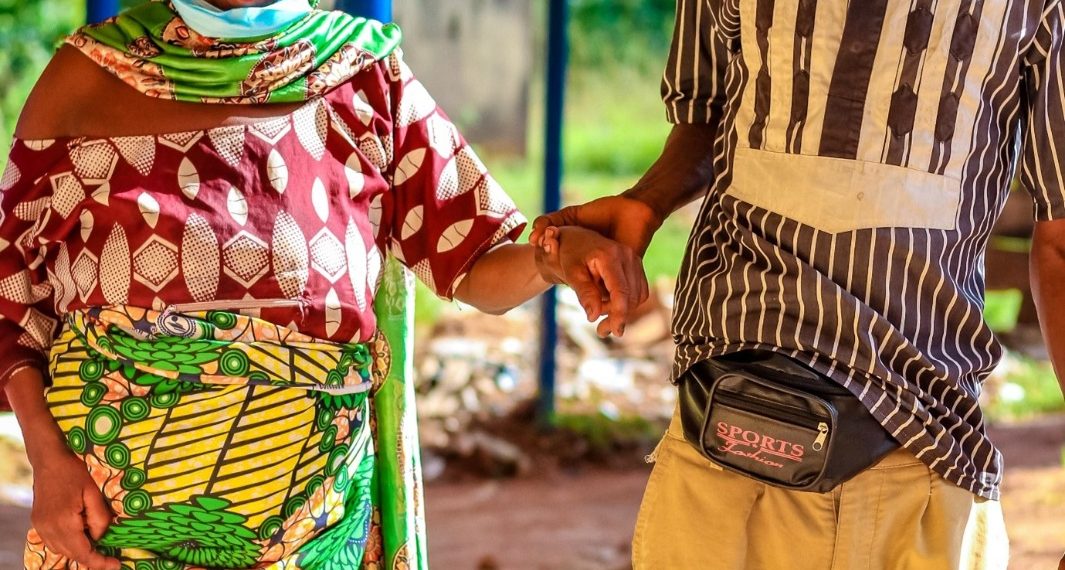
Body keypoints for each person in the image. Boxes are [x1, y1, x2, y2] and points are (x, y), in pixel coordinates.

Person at [0, 1, 646, 568]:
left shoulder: (365, 78)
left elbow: (475, 264)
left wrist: (551, 257)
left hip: (316, 521)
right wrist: (48, 466)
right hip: (118, 517)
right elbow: (10, 298)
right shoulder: (86, 78)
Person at [534, 0, 1065, 568]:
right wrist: (647, 201)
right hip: (724, 436)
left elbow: (1059, 240)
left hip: (912, 450)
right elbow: (710, 113)